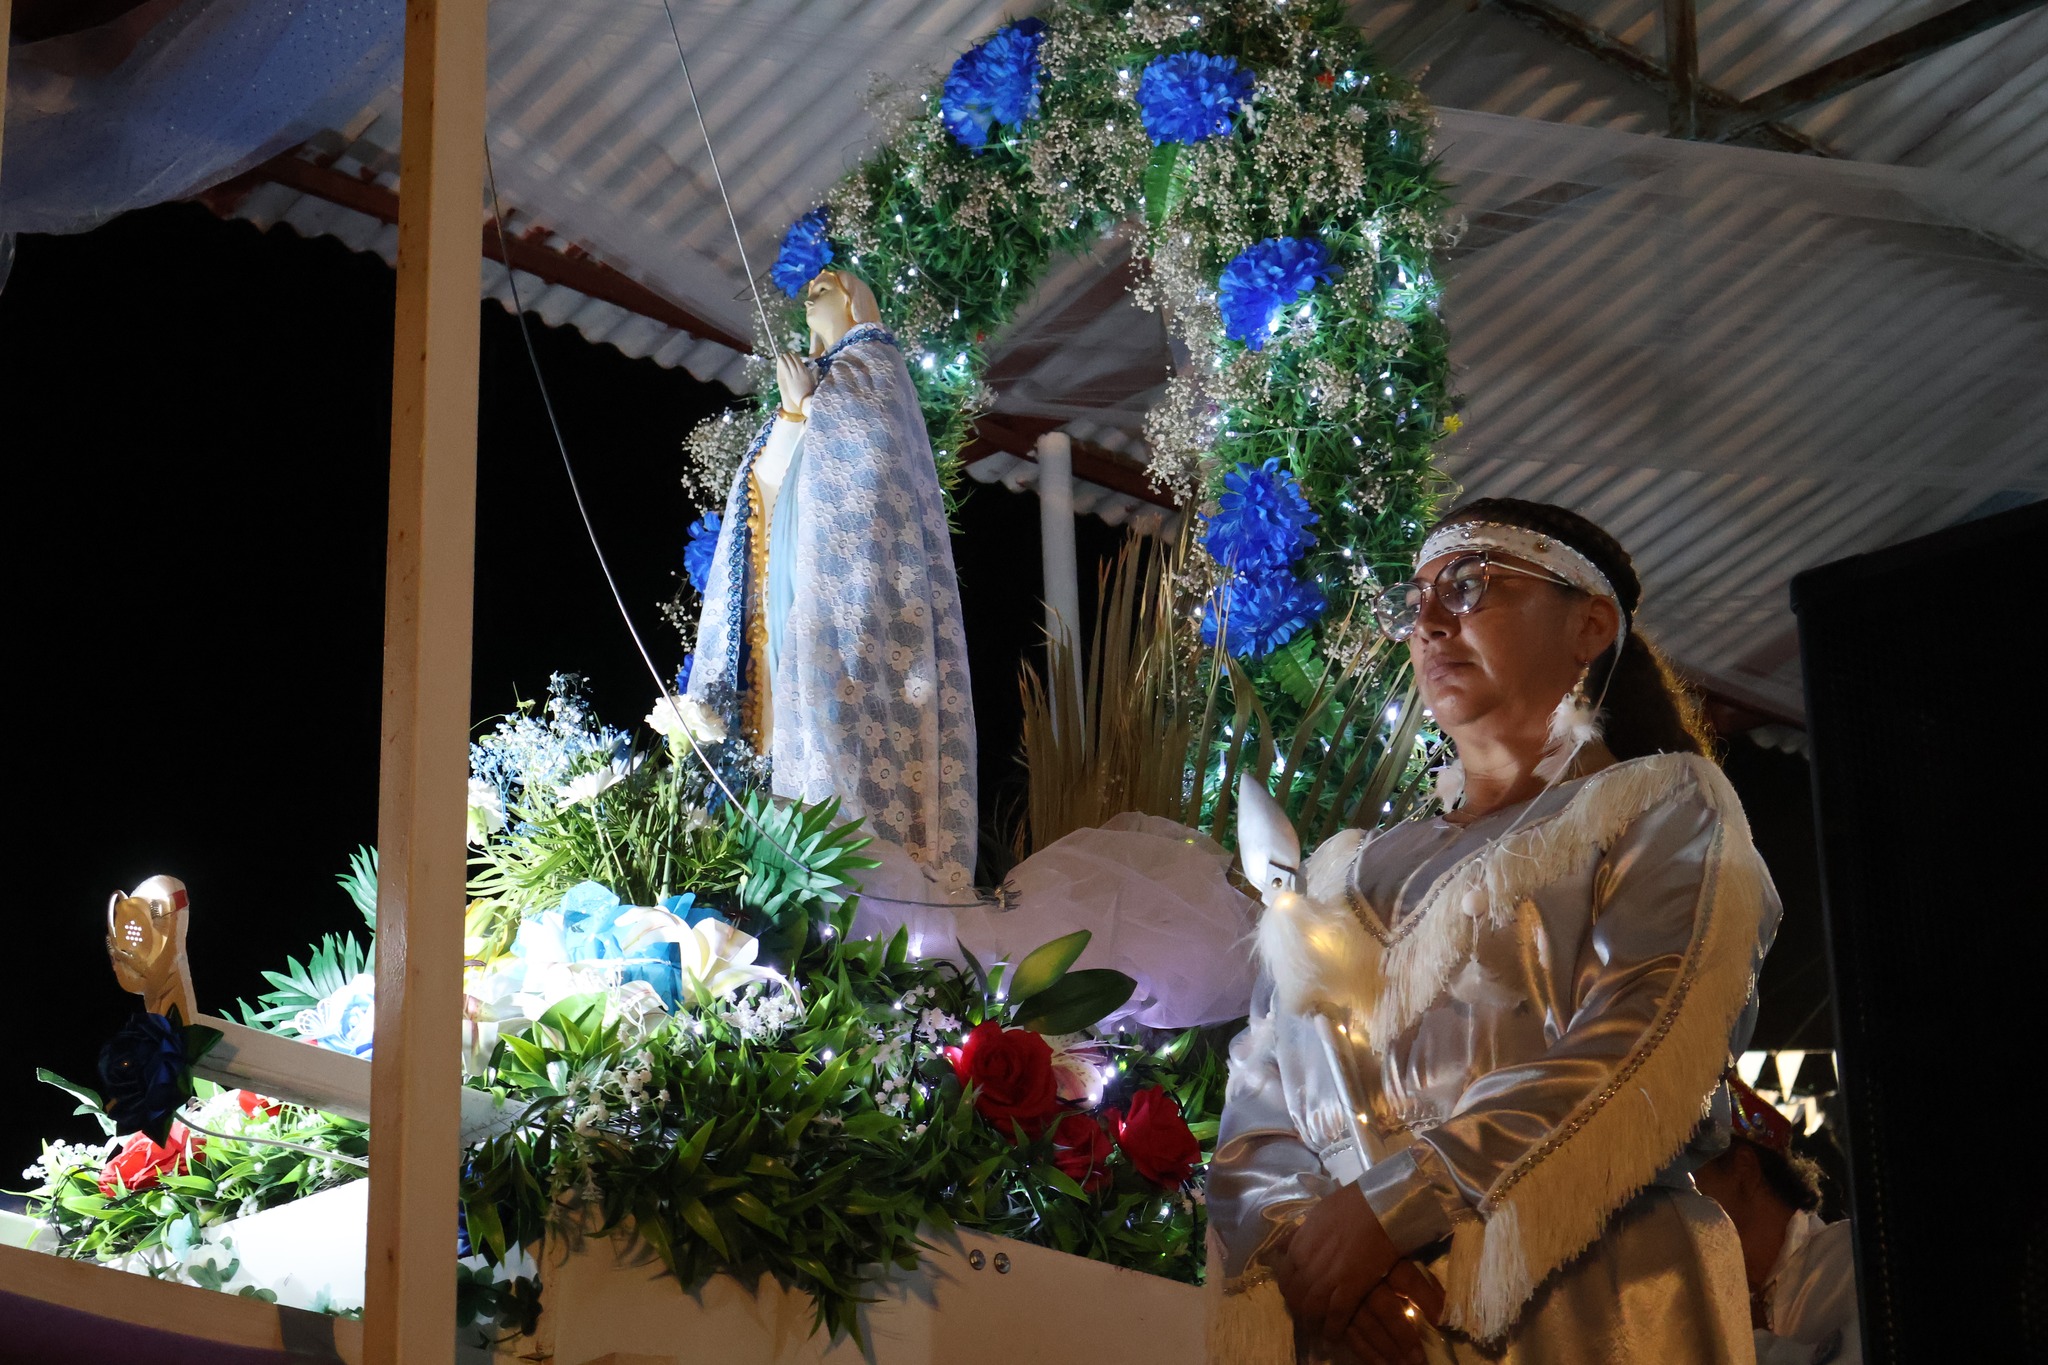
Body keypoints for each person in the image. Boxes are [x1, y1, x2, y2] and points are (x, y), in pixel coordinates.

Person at [1209, 497, 1781, 1364]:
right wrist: (1319, 1254)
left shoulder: (1661, 805)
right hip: (1355, 1330)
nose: (1431, 621)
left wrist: (1395, 1205)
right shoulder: (1340, 870)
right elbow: (1256, 1111)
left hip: (1585, 1300)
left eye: (1471, 586)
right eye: (1417, 601)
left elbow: (1647, 1035)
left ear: (1590, 625)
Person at [685, 267, 977, 900]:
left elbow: (872, 464)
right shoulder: (819, 380)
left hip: (848, 605)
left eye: (823, 288)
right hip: (788, 592)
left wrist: (814, 404)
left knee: (833, 730)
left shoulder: (875, 366)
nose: (808, 298)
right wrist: (793, 412)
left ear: (854, 299)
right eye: (808, 291)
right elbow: (763, 493)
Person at [1693, 1076, 1860, 1365]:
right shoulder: (1702, 1297)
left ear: (1744, 1172)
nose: (1677, 1203)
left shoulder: (1848, 1259)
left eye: (1691, 1182)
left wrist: (1748, 1342)